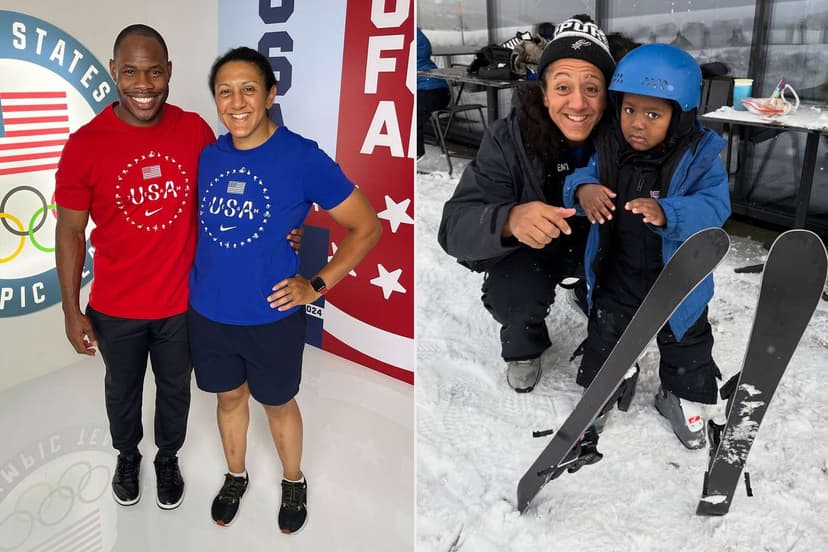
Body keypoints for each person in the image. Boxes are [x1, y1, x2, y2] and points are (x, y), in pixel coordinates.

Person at [55, 24, 303, 510]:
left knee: (175, 392)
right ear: (113, 73)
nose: (142, 84)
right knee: (121, 392)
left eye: (153, 72)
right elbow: (68, 230)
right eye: (130, 72)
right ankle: (128, 456)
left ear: (169, 73)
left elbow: (238, 183)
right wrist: (69, 307)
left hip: (181, 303)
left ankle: (167, 458)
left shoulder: (193, 130)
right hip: (115, 306)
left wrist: (285, 226)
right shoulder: (85, 144)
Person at [190, 47, 381, 533]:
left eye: (248, 89)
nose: (237, 102)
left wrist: (317, 285)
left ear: (271, 95)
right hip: (208, 313)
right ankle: (236, 475)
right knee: (229, 399)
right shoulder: (208, 156)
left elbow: (367, 227)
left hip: (271, 318)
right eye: (225, 92)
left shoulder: (302, 156)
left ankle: (293, 481)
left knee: (277, 404)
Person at [562, 43, 731, 449]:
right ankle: (605, 385)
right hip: (618, 270)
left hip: (678, 280)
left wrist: (668, 213)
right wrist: (582, 190)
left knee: (687, 344)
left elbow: (715, 207)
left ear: (680, 116)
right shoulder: (607, 148)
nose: (637, 123)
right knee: (607, 332)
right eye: (629, 110)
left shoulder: (699, 156)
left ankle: (679, 393)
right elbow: (579, 177)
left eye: (653, 114)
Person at [438, 16, 617, 393]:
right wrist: (509, 219)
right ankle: (524, 346)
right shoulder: (508, 138)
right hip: (534, 248)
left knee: (627, 278)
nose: (578, 103)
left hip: (602, 242)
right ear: (545, 92)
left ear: (608, 94)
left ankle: (594, 301)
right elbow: (454, 225)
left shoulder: (623, 135)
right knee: (512, 294)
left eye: (592, 88)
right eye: (563, 86)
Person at [417, 26, 450, 159]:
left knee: (408, 117)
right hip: (442, 92)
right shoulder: (418, 40)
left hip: (428, 92)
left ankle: (415, 153)